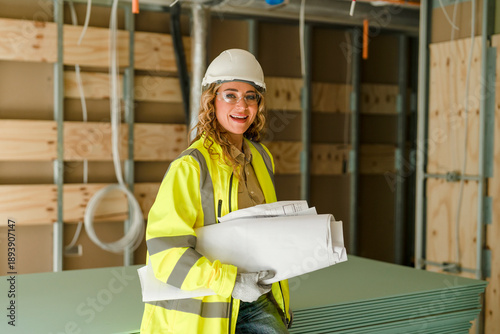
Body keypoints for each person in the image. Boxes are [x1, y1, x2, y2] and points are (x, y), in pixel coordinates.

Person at [140, 49, 292, 334]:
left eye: (251, 96)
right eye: (230, 95)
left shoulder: (261, 157)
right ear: (212, 100)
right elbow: (165, 254)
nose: (242, 106)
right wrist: (231, 283)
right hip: (206, 305)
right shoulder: (190, 167)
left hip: (256, 297)